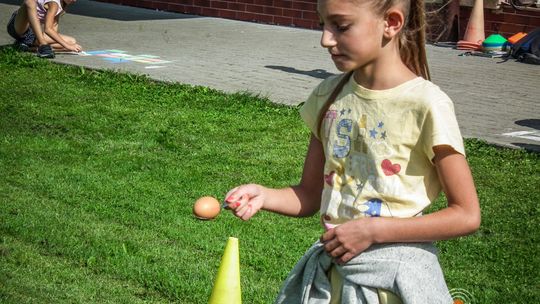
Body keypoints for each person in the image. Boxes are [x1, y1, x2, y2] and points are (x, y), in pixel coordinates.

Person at [225, 0, 480, 302]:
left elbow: (466, 214)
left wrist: (373, 231)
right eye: (323, 25)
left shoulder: (426, 105)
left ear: (392, 23)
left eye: (341, 26)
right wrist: (265, 195)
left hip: (393, 287)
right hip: (333, 281)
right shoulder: (327, 96)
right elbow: (309, 195)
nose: (325, 39)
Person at [7, 0, 82, 58]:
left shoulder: (61, 6)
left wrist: (68, 46)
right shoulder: (54, 3)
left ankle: (27, 47)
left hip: (32, 34)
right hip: (18, 27)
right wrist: (67, 46)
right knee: (30, 2)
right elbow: (48, 29)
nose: (74, 0)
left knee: (72, 41)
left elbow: (53, 30)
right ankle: (43, 45)